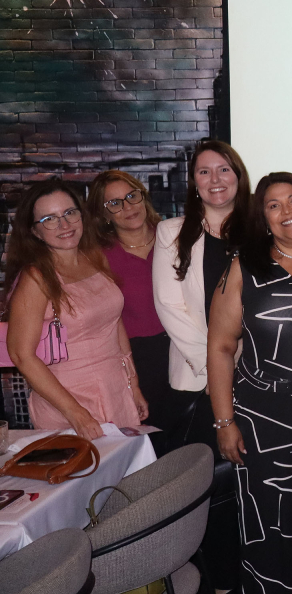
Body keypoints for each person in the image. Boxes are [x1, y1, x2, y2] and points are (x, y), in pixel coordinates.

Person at [207, 172, 292, 594]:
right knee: (270, 528)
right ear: (262, 218)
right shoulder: (245, 268)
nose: (287, 212)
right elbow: (221, 348)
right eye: (274, 205)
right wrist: (224, 423)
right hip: (263, 420)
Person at [151, 139, 250, 594]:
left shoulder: (258, 228)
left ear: (238, 175)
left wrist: (246, 369)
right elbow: (172, 309)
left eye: (224, 170)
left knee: (250, 489)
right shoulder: (172, 232)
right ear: (193, 182)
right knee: (209, 493)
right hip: (196, 383)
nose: (215, 180)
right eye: (205, 172)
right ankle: (222, 581)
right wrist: (219, 373)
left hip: (255, 380)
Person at [5, 180, 148, 435]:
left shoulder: (94, 258)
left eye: (70, 213)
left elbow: (115, 323)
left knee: (131, 472)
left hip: (117, 391)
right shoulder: (36, 278)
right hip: (68, 404)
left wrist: (133, 385)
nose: (64, 225)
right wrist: (76, 413)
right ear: (35, 232)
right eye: (50, 218)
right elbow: (21, 355)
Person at [87, 171, 181, 453]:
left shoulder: (176, 239)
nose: (128, 207)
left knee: (192, 435)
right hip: (137, 358)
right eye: (115, 203)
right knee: (155, 441)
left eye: (131, 196)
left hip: (184, 348)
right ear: (104, 215)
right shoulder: (99, 258)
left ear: (143, 196)